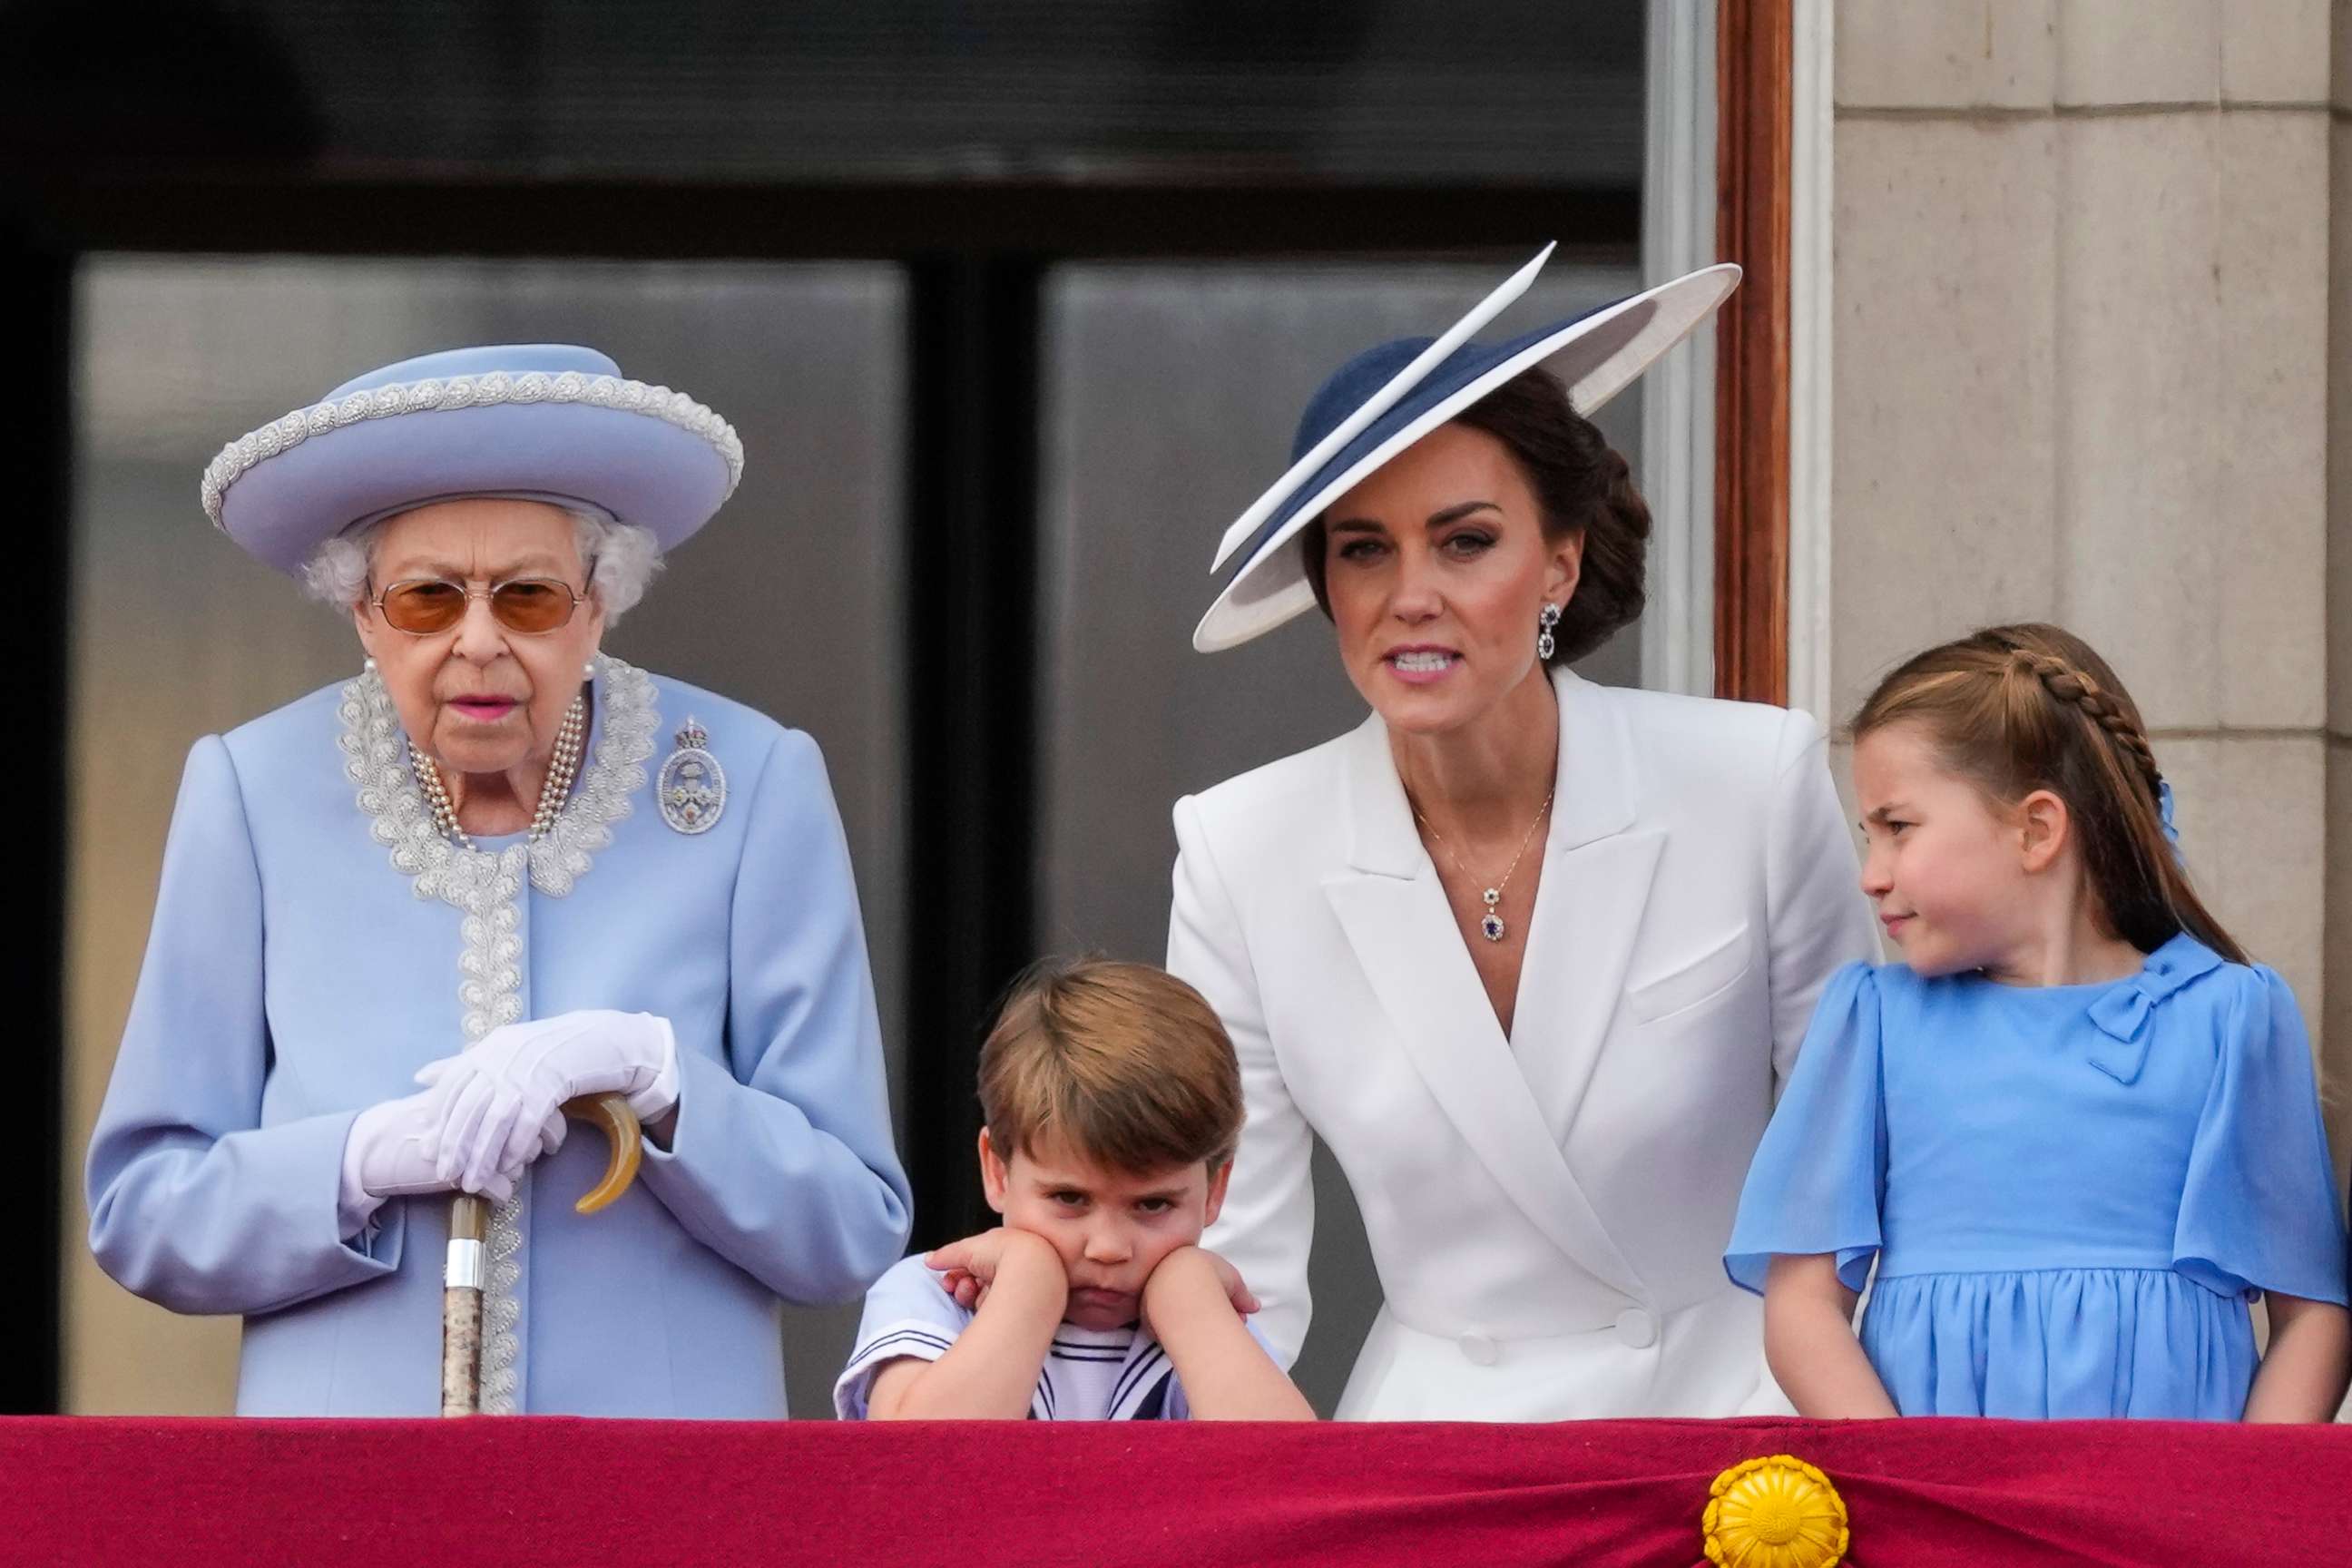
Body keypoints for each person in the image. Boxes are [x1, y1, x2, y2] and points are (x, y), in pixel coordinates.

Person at [85, 344, 912, 1416]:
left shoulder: (753, 785)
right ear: (362, 615)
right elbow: (142, 1212)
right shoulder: (252, 792)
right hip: (346, 1498)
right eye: (428, 600)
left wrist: (664, 1086)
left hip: (663, 1493)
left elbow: (849, 1228)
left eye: (528, 598)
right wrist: (359, 1160)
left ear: (599, 607)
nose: (479, 643)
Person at [1165, 249, 1881, 1419]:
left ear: (1560, 560)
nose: (1411, 595)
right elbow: (1233, 1265)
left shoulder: (1750, 779)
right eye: (1364, 550)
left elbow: (1858, 1179)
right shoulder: (1241, 849)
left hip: (1743, 1430)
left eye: (1465, 541)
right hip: (1437, 1456)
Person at [1727, 623, 2351, 1420]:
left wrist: (2238, 1506)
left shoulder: (2233, 1018)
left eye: (1898, 828)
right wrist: (1912, 1491)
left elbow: (2311, 1316)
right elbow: (1803, 1308)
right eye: (1867, 836)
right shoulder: (1873, 1024)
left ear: (2037, 830)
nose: (1871, 876)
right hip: (1943, 1513)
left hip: (2166, 1521)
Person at [836, 959, 1312, 1421]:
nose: (1107, 1248)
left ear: (1214, 1189)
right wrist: (1029, 1287)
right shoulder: (935, 1291)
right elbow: (913, 1466)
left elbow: (1294, 1479)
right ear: (997, 1172)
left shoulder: (1203, 1316)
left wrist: (1192, 1308)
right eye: (1069, 1198)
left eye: (1153, 1204)